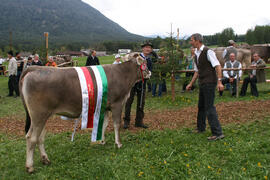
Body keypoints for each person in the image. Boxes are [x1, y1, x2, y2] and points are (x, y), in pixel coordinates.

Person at [186, 33, 224, 141]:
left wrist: (220, 82)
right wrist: (191, 83)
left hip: (210, 83)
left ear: (197, 40)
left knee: (209, 107)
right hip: (202, 83)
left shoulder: (208, 51)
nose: (190, 42)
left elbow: (217, 66)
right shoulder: (197, 54)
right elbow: (197, 71)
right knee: (201, 106)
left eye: (191, 40)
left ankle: (218, 133)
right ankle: (201, 128)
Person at [123, 42, 153, 129]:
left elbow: (149, 70)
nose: (148, 49)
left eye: (149, 48)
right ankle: (126, 121)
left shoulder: (149, 60)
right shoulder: (136, 57)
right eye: (146, 47)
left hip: (143, 83)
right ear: (143, 49)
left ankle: (139, 122)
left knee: (141, 103)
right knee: (129, 102)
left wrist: (149, 74)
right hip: (132, 83)